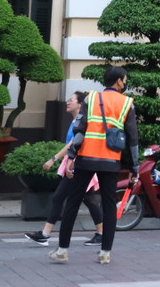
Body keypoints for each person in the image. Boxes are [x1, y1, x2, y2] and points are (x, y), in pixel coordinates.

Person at [51, 66, 139, 264]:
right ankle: (105, 253)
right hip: (110, 161)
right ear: (118, 81)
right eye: (124, 80)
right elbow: (133, 139)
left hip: (86, 159)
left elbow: (79, 129)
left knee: (73, 202)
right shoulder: (127, 104)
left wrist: (71, 157)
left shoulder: (91, 99)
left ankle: (63, 250)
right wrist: (135, 168)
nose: (125, 83)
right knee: (108, 205)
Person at [23, 90, 103, 247]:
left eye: (71, 100)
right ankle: (101, 234)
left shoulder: (81, 121)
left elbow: (72, 144)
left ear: (80, 104)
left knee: (60, 197)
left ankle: (45, 234)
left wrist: (53, 159)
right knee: (89, 200)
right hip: (75, 163)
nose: (68, 102)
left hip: (77, 164)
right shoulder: (76, 121)